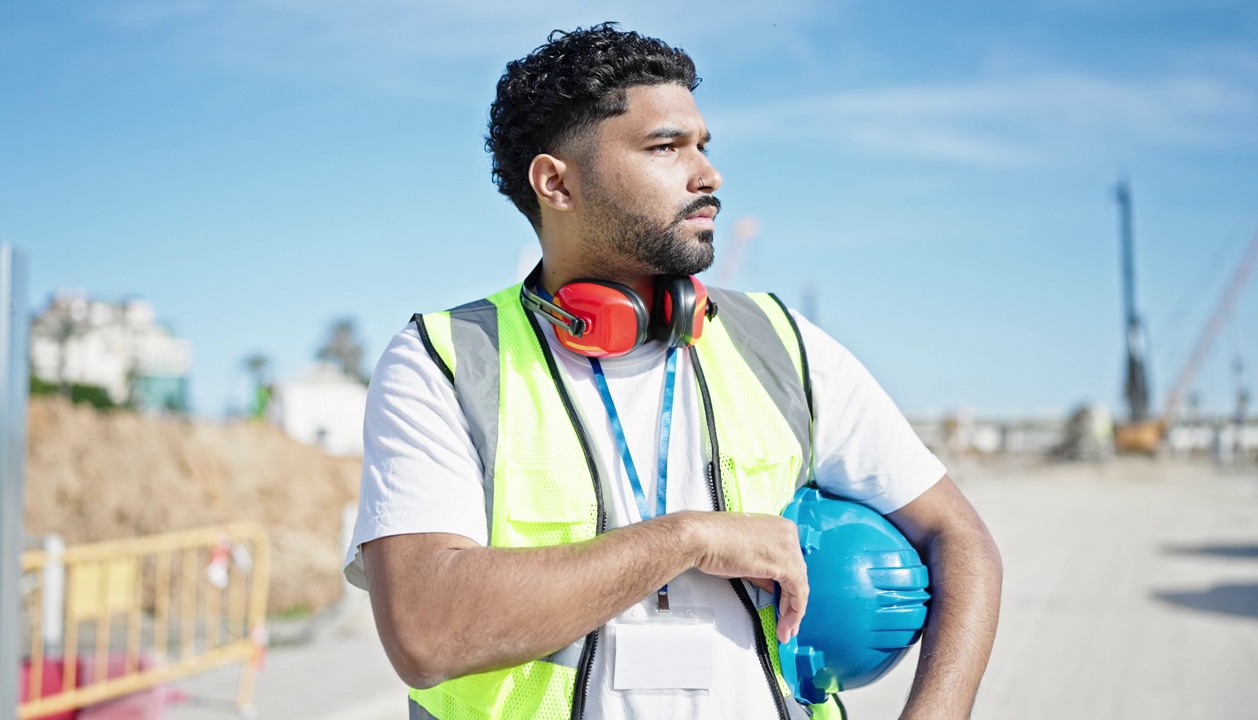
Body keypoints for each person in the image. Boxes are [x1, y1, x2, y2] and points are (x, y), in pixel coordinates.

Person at [344, 23, 1002, 720]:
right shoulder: (445, 362)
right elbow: (426, 630)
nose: (708, 174)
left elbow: (961, 539)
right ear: (555, 183)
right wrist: (689, 538)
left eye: (703, 146)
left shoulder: (779, 342)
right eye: (666, 147)